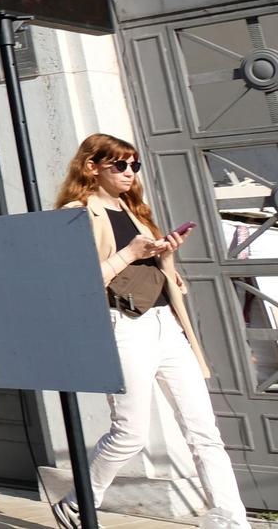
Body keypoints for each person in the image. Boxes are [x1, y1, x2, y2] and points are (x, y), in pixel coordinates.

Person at [46, 134, 247, 529]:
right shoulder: (77, 213)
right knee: (129, 434)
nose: (128, 173)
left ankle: (230, 519)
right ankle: (81, 500)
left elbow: (160, 280)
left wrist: (165, 253)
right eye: (118, 165)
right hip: (124, 327)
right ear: (92, 167)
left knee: (204, 431)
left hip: (166, 326)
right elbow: (76, 284)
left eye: (133, 165)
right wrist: (130, 253)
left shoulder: (135, 209)